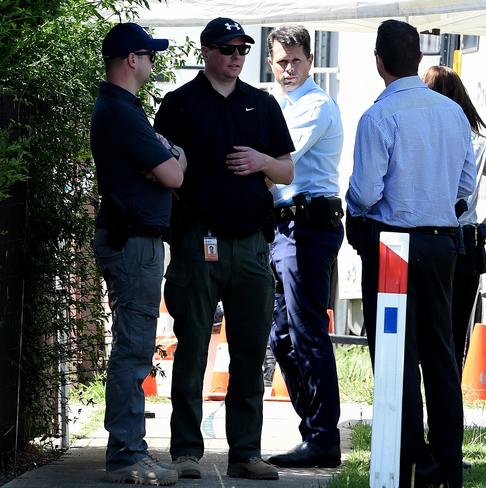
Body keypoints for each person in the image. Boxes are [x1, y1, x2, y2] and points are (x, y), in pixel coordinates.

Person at [153, 17, 294, 481]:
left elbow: (287, 172)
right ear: (207, 51)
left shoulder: (262, 103)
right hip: (199, 242)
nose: (237, 57)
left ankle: (245, 453)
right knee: (192, 349)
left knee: (251, 352)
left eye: (243, 49)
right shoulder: (179, 104)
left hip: (252, 246)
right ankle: (187, 452)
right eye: (229, 49)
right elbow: (159, 170)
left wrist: (262, 162)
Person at [345, 20, 476, 488]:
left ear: (379, 62)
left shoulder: (379, 116)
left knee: (396, 354)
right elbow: (465, 186)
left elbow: (364, 192)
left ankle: (403, 461)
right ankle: (446, 465)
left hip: (394, 244)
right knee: (440, 355)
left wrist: (362, 207)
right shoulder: (452, 113)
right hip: (442, 242)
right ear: (419, 59)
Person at [91, 22, 187, 486]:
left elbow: (168, 165)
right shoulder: (122, 112)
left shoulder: (119, 109)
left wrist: (168, 159)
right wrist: (170, 159)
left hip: (132, 239)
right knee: (132, 349)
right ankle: (127, 456)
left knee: (132, 347)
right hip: (134, 242)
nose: (152, 62)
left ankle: (130, 451)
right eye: (149, 55)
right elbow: (174, 174)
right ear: (132, 59)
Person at [264, 25, 344, 468]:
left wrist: (251, 159)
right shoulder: (280, 103)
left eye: (296, 60)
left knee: (306, 331)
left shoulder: (314, 104)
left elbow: (281, 160)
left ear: (310, 60)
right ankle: (314, 430)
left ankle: (322, 437)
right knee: (283, 337)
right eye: (281, 61)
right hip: (286, 228)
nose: (288, 68)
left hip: (308, 225)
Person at [422, 65, 486, 378]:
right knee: (453, 337)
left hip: (424, 241)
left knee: (419, 330)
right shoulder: (478, 143)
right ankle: (447, 413)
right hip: (464, 246)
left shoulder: (422, 137)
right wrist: (483, 229)